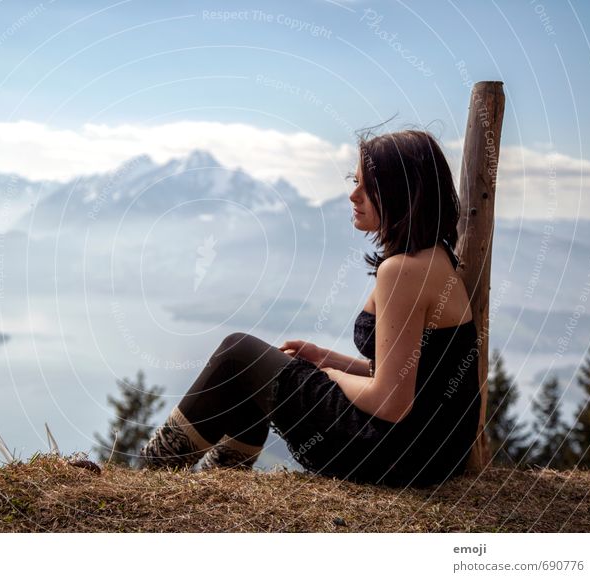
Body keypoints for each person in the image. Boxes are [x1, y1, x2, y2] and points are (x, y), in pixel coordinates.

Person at [139, 129, 482, 487]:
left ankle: (152, 475)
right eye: (355, 181)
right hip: (426, 453)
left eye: (369, 187)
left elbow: (392, 401)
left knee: (238, 353)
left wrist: (328, 377)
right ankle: (218, 481)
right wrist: (325, 358)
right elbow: (411, 374)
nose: (353, 194)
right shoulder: (436, 259)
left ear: (403, 192)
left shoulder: (403, 271)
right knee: (256, 371)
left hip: (392, 452)